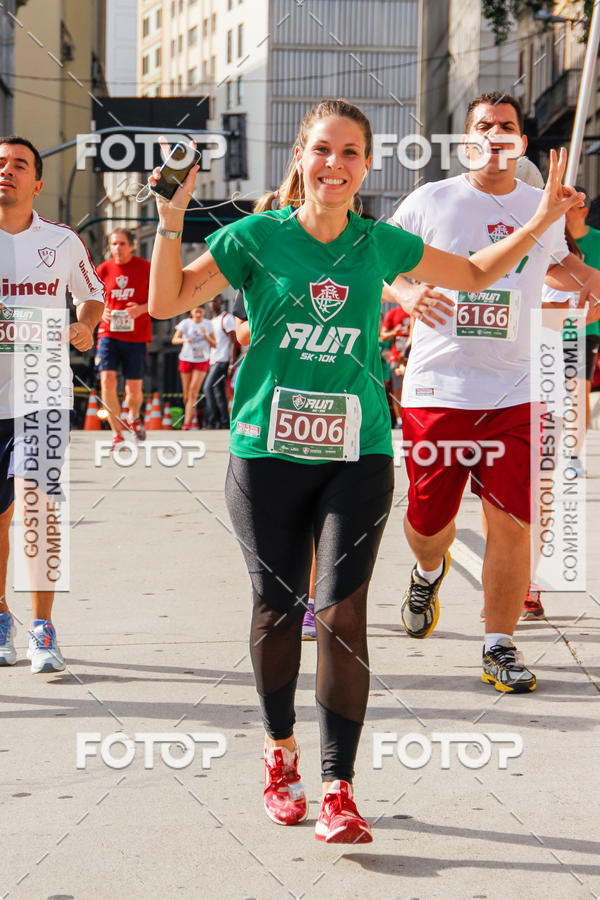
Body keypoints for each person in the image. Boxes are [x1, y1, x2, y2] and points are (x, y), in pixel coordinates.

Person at [147, 99, 579, 842]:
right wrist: (166, 221)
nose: (335, 166)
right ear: (299, 156)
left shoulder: (380, 244)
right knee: (277, 614)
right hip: (266, 454)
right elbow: (166, 301)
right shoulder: (256, 237)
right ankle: (279, 753)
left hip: (358, 452)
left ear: (367, 166)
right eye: (322, 150)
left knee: (345, 618)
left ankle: (339, 787)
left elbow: (475, 274)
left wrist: (539, 224)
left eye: (350, 153)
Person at [390, 91, 600, 693]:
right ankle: (429, 569)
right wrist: (405, 294)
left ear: (522, 142)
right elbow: (377, 261)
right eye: (485, 126)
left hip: (518, 388)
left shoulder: (544, 207)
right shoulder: (431, 200)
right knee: (429, 520)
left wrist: (590, 283)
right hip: (440, 384)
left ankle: (498, 644)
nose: (496, 133)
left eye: (507, 126)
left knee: (511, 521)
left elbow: (560, 267)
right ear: (468, 141)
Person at [0, 136, 104, 672]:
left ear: (37, 183)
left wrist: (84, 326)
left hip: (43, 392)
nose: (7, 170)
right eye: (0, 163)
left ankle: (43, 627)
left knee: (39, 508)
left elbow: (92, 295)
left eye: (19, 165)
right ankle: (0, 616)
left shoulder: (61, 242)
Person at [96, 229, 151, 448]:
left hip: (136, 336)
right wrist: (100, 311)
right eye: (113, 244)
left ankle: (134, 416)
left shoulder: (145, 268)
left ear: (132, 246)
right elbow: (88, 297)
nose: (117, 248)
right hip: (108, 333)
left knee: (133, 389)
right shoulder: (103, 269)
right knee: (107, 380)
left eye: (121, 244)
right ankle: (116, 432)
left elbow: (160, 299)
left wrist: (141, 309)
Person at [562, 188, 600, 474]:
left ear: (583, 211)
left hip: (584, 330)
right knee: (545, 394)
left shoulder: (598, 242)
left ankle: (574, 455)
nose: (564, 212)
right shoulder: (552, 241)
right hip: (548, 325)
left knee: (577, 392)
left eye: (570, 207)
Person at [171, 305, 215, 429]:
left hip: (201, 359)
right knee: (186, 394)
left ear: (204, 312)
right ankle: (190, 415)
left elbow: (215, 343)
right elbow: (174, 339)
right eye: (196, 311)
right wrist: (185, 340)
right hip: (186, 358)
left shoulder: (208, 324)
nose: (198, 313)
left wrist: (206, 336)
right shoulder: (185, 323)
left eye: (201, 311)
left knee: (193, 391)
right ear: (191, 311)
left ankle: (187, 423)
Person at [203, 295, 236, 429]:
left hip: (223, 360)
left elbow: (233, 341)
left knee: (207, 388)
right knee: (218, 392)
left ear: (221, 302)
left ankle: (212, 420)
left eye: (214, 301)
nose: (212, 304)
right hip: (213, 360)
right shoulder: (211, 321)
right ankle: (223, 422)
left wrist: (232, 362)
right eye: (210, 301)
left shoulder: (226, 319)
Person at [379, 303, 410, 428]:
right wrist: (395, 332)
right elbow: (383, 335)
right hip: (396, 356)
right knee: (397, 389)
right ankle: (400, 420)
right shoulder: (393, 313)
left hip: (413, 355)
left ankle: (410, 419)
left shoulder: (414, 311)